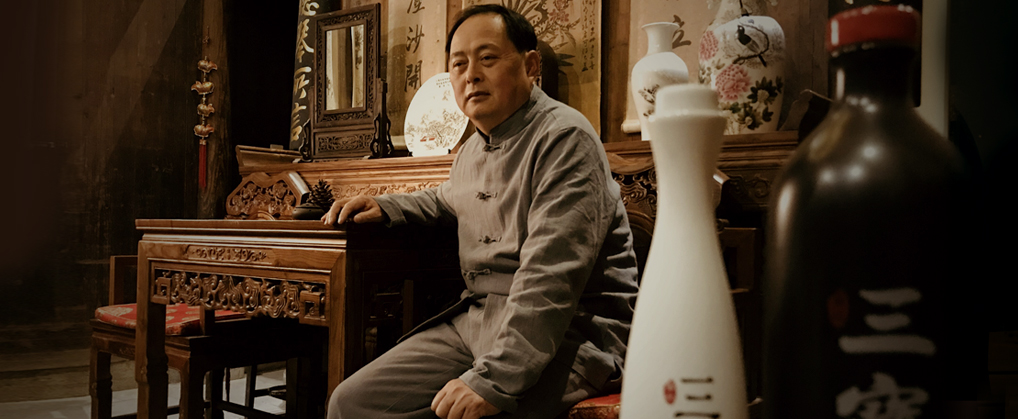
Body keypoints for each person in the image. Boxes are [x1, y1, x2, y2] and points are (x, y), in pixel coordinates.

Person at [323, 5, 639, 419]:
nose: (470, 74)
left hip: (571, 332)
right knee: (351, 402)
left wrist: (495, 381)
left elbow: (551, 278)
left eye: (487, 58)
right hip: (478, 322)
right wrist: (385, 206)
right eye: (459, 64)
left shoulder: (565, 138)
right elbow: (447, 197)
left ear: (530, 65)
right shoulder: (472, 148)